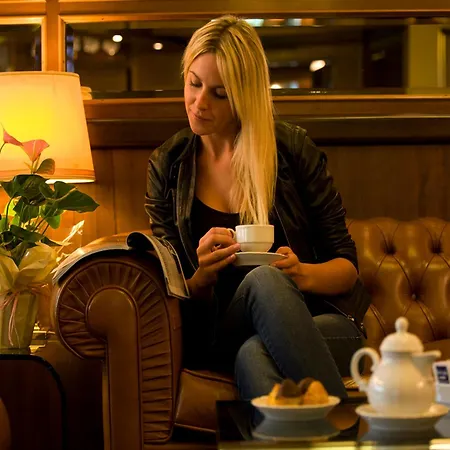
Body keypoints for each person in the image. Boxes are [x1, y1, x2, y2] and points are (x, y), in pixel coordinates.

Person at [145, 15, 370, 401]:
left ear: (244, 96)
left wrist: (301, 274)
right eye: (194, 84)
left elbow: (346, 270)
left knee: (253, 354)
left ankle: (318, 431)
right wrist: (202, 277)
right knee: (262, 284)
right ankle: (344, 428)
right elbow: (169, 290)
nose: (199, 103)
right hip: (221, 331)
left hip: (318, 323)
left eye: (219, 93)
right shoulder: (167, 166)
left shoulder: (291, 150)